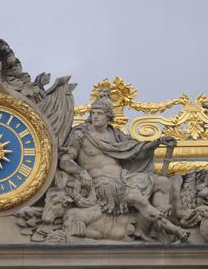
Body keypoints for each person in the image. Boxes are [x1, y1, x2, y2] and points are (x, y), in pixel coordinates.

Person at [59, 91, 186, 240]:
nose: (95, 116)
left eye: (100, 113)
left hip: (125, 179)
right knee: (138, 198)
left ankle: (153, 229)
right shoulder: (80, 134)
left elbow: (134, 150)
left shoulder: (115, 135)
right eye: (93, 113)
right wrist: (81, 172)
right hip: (102, 185)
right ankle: (172, 229)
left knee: (162, 182)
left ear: (108, 116)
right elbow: (65, 161)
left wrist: (156, 143)